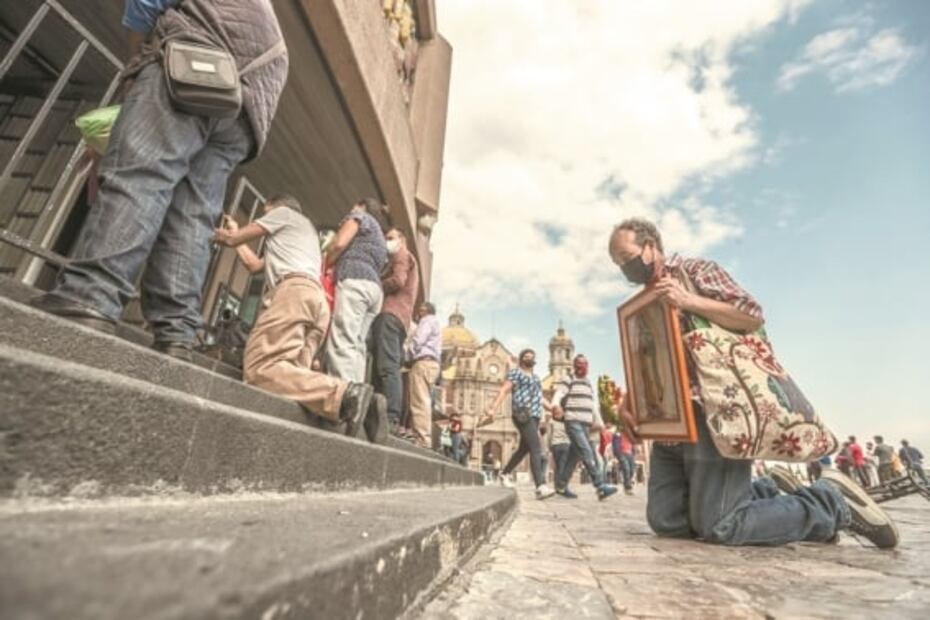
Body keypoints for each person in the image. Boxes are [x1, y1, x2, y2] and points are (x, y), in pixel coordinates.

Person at [608, 218, 898, 548]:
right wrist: (630, 405)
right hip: (670, 420)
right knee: (667, 522)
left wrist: (687, 301)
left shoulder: (694, 271)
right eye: (617, 263)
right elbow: (652, 361)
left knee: (721, 526)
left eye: (626, 256)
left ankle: (831, 504)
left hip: (712, 411)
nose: (623, 267)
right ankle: (763, 492)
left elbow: (751, 315)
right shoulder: (644, 304)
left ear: (650, 246)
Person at [31, 0, 288, 362]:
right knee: (194, 213)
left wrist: (139, 73)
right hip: (251, 103)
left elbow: (144, 7)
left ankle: (90, 296)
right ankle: (177, 332)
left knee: (140, 178)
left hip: (199, 59)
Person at [212, 195, 384, 439]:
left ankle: (347, 395)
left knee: (261, 368)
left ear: (276, 208)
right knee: (292, 378)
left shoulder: (283, 215)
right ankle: (362, 405)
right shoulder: (304, 236)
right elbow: (253, 265)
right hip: (316, 303)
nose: (265, 216)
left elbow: (230, 240)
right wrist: (237, 234)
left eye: (266, 211)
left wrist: (216, 232)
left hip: (294, 295)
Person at [323, 198, 390, 382]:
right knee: (358, 344)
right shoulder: (380, 237)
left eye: (354, 205)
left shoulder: (360, 217)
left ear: (362, 206)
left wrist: (326, 262)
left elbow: (339, 244)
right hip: (374, 289)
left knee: (343, 339)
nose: (351, 208)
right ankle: (357, 395)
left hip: (355, 280)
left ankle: (340, 396)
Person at [484, 349, 557, 500]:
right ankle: (540, 486)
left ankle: (504, 473)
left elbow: (540, 398)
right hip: (522, 412)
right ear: (521, 359)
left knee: (524, 449)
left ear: (534, 361)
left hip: (535, 415)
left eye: (532, 356)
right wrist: (492, 408)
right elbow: (504, 390)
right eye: (526, 356)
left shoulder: (537, 378)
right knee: (536, 447)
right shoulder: (516, 373)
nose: (529, 358)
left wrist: (552, 408)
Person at [370, 227, 419, 429]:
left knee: (387, 367)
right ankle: (384, 416)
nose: (386, 241)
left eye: (390, 238)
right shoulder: (407, 258)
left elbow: (398, 280)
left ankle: (390, 417)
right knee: (387, 367)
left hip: (390, 314)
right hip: (400, 319)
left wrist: (375, 284)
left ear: (402, 240)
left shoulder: (401, 253)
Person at [551, 355, 618, 501]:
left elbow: (592, 405)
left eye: (584, 364)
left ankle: (561, 486)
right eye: (579, 364)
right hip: (573, 421)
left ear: (588, 366)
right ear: (575, 366)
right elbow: (559, 393)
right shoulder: (569, 379)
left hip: (586, 424)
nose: (582, 366)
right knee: (586, 451)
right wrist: (555, 405)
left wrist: (600, 424)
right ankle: (600, 486)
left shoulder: (588, 383)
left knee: (573, 458)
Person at [406, 302, 442, 447]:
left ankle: (422, 438)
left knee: (420, 401)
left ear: (424, 310)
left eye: (420, 310)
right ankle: (423, 437)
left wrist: (406, 355)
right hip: (432, 365)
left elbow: (419, 339)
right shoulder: (436, 324)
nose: (417, 313)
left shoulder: (427, 321)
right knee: (424, 399)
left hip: (423, 362)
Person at [546, 405, 573, 496]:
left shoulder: (551, 421)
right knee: (562, 466)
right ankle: (562, 487)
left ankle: (557, 486)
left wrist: (549, 445)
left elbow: (549, 434)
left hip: (555, 445)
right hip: (566, 445)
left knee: (557, 466)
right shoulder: (567, 421)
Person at [614, 428, 637, 495]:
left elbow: (633, 444)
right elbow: (615, 446)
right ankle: (628, 487)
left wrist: (634, 453)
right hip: (622, 453)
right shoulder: (618, 434)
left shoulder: (631, 435)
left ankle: (627, 484)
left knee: (632, 470)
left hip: (630, 454)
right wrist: (618, 454)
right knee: (626, 469)